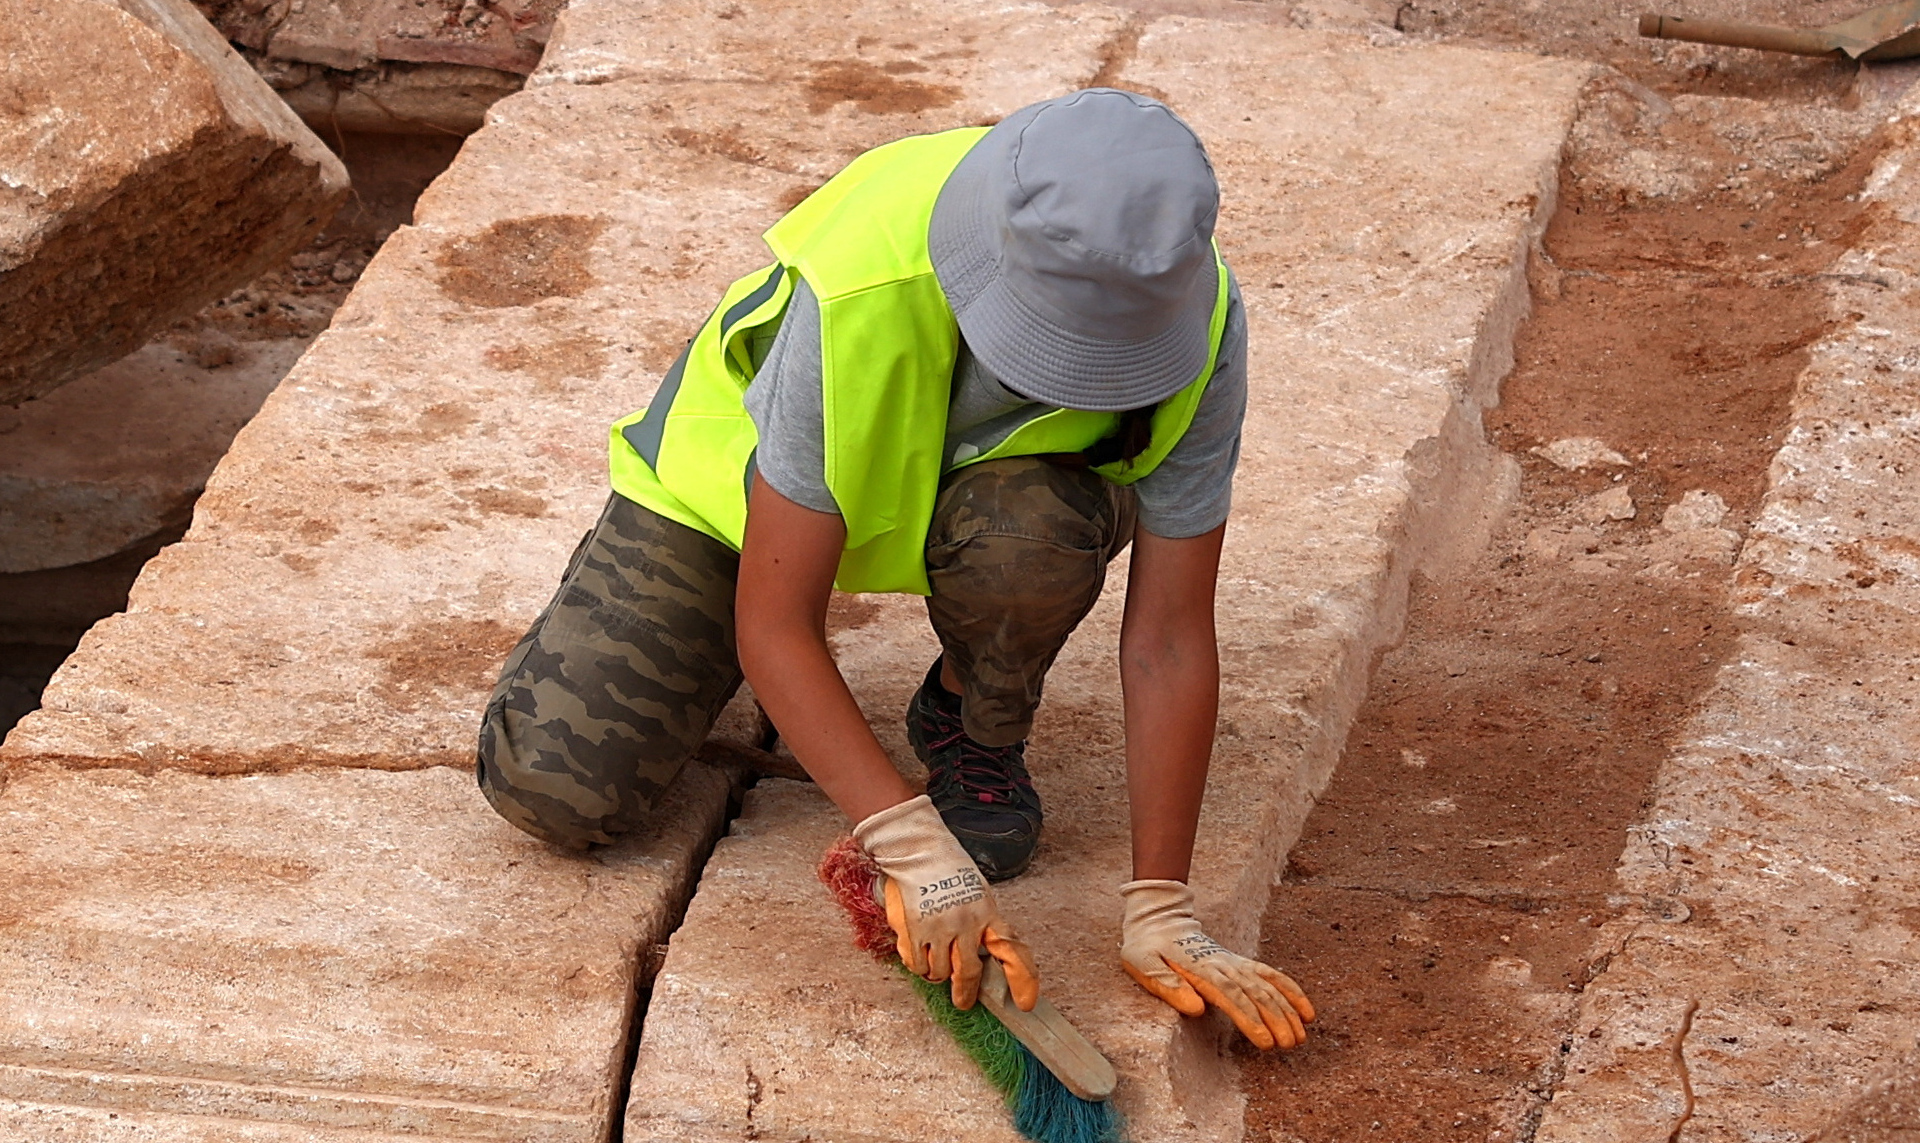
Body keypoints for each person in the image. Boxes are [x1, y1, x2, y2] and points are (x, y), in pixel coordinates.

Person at [469, 88, 1313, 1052]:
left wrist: (1163, 905)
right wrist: (907, 845)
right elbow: (778, 623)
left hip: (991, 517)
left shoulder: (1194, 316)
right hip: (740, 509)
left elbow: (1166, 636)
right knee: (557, 788)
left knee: (1028, 546)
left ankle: (966, 717)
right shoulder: (864, 285)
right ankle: (710, 663)